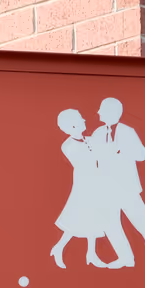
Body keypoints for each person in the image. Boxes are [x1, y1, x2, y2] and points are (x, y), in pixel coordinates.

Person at [89, 97, 145, 273]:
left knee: (143, 224)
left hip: (126, 188)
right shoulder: (97, 133)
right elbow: (92, 157)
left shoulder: (127, 132)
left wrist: (123, 150)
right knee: (111, 225)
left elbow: (142, 155)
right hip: (106, 189)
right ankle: (125, 258)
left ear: (113, 113)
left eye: (102, 110)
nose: (98, 113)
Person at [50, 109, 116, 269]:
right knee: (80, 216)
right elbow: (85, 162)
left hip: (95, 182)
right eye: (81, 120)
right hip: (84, 183)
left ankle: (91, 253)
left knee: (93, 216)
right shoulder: (68, 145)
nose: (85, 121)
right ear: (72, 125)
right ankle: (60, 247)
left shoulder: (89, 139)